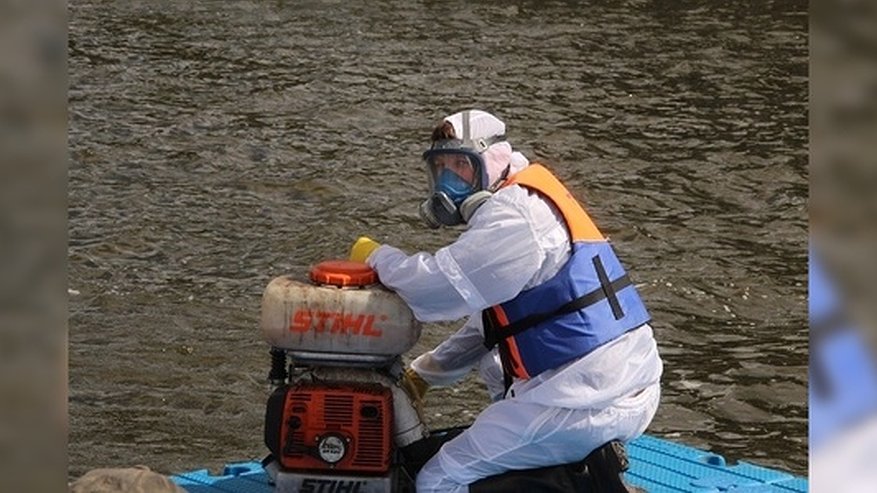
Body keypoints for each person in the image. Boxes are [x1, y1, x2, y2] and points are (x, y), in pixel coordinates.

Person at [349, 109, 662, 493]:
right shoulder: (529, 195)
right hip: (621, 385)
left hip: (585, 403)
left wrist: (377, 257)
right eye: (440, 166)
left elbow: (434, 287)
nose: (448, 178)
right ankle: (568, 474)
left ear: (491, 161)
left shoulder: (514, 218)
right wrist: (424, 374)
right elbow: (493, 326)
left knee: (438, 478)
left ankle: (566, 471)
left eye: (461, 165)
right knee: (495, 364)